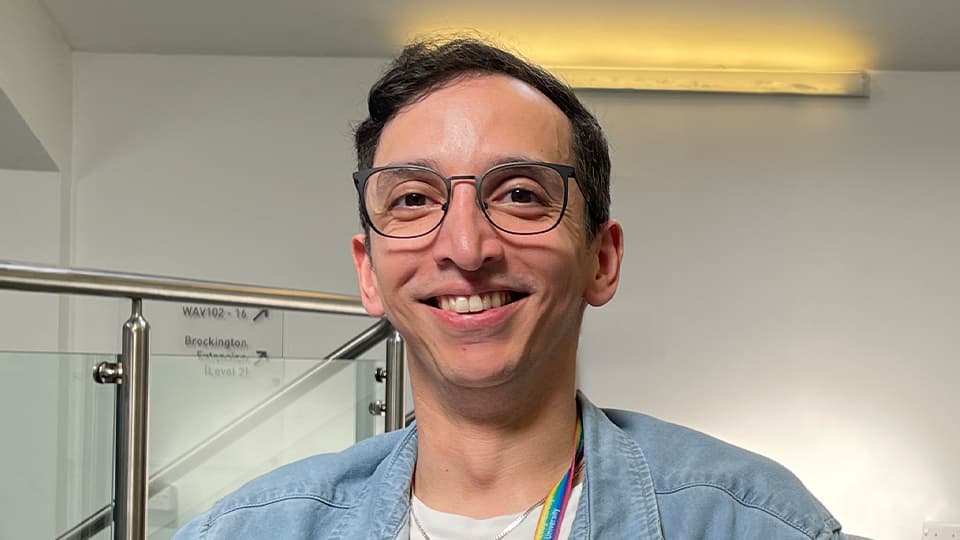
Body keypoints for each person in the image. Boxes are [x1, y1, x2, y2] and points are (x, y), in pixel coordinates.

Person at [174, 37, 852, 539]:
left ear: (602, 260)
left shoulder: (754, 523)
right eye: (412, 199)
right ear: (367, 272)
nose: (466, 248)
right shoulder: (246, 531)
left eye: (521, 194)